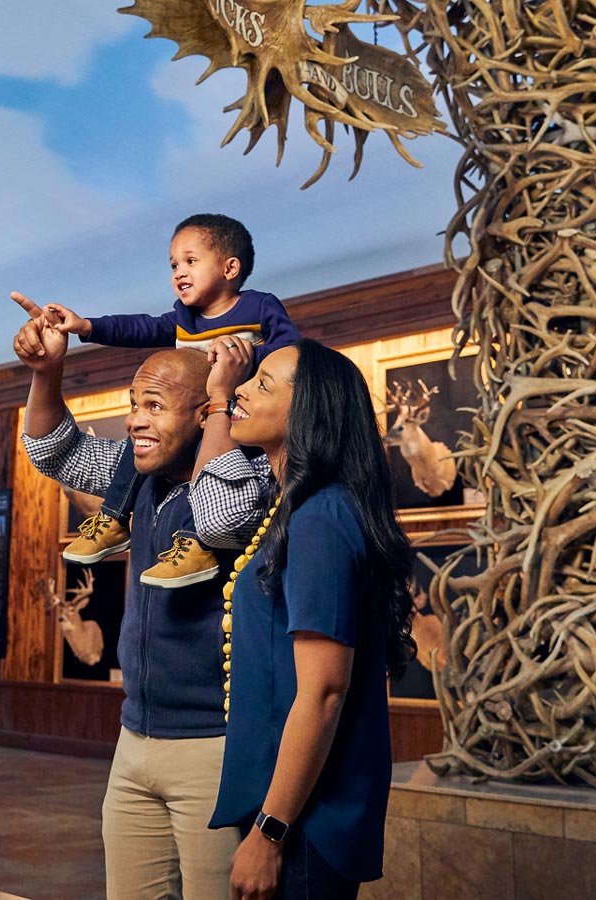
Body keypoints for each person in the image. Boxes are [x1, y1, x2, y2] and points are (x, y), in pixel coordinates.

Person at [11, 298, 266, 900]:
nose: (134, 420)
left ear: (207, 414)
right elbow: (56, 452)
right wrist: (47, 374)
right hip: (135, 740)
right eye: (133, 404)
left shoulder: (248, 478)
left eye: (153, 405)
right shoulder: (138, 477)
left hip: (216, 744)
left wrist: (224, 407)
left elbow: (220, 518)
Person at [201, 339, 416, 900]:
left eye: (263, 384)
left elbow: (323, 692)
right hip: (291, 810)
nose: (241, 390)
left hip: (302, 823)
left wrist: (269, 834)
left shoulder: (321, 517)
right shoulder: (297, 507)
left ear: (310, 414)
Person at [11, 213, 298, 589]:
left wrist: (241, 371)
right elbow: (141, 328)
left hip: (232, 426)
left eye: (191, 261)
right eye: (174, 264)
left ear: (230, 268)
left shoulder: (259, 309)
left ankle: (196, 545)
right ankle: (114, 519)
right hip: (206, 422)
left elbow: (290, 358)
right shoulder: (183, 320)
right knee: (132, 450)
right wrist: (81, 332)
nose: (134, 421)